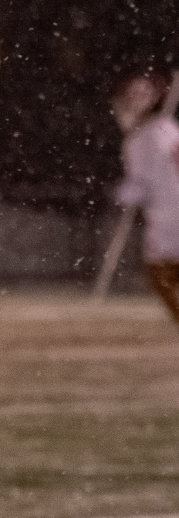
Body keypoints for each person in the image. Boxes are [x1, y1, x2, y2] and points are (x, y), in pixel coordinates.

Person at [113, 69, 179, 326]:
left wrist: (122, 194)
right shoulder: (169, 128)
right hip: (170, 213)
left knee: (159, 274)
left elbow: (141, 187)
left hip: (168, 218)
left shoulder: (142, 138)